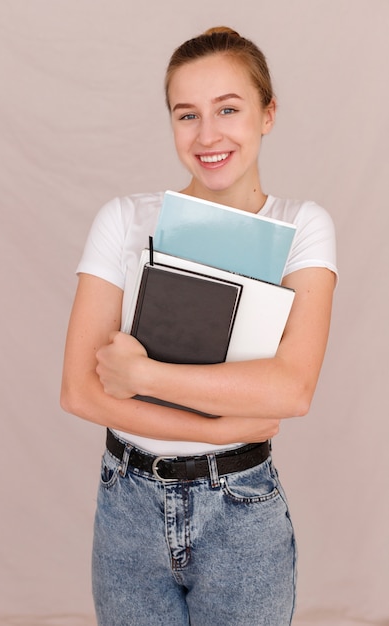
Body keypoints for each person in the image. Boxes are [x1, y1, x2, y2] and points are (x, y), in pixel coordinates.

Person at [61, 26, 337, 626]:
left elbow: (291, 389)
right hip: (127, 505)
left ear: (268, 114)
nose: (207, 135)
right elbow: (80, 390)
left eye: (228, 109)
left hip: (242, 513)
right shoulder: (125, 219)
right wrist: (225, 428)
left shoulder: (302, 227)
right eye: (187, 115)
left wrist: (142, 374)